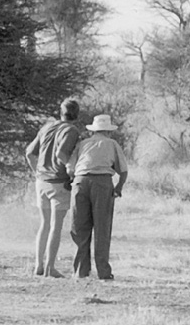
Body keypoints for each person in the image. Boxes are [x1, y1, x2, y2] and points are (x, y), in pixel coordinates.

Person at [66, 114, 128, 280]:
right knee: (102, 228)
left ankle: (80, 271)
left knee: (80, 228)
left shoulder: (83, 144)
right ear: (108, 131)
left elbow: (70, 169)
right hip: (102, 182)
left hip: (80, 182)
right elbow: (123, 170)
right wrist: (118, 188)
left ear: (93, 130)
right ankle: (103, 272)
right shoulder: (112, 144)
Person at [25, 97, 80, 278]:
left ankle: (38, 265)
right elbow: (61, 153)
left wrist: (37, 173)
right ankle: (50, 268)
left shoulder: (47, 127)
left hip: (41, 182)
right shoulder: (71, 130)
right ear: (77, 114)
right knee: (56, 227)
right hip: (58, 182)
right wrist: (71, 170)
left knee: (44, 224)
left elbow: (29, 153)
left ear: (60, 112)